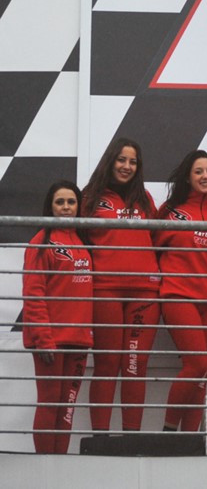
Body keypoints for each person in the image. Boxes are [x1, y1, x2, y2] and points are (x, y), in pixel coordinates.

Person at [82, 137, 161, 432]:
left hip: (145, 292)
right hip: (105, 290)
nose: (127, 166)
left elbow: (158, 239)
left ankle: (131, 440)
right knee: (107, 364)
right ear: (110, 161)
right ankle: (99, 439)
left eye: (133, 162)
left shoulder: (145, 199)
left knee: (134, 365)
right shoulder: (90, 197)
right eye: (121, 159)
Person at [154, 150, 207, 431]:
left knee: (202, 374)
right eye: (198, 171)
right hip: (179, 296)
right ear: (187, 177)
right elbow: (148, 249)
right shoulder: (171, 212)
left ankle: (189, 439)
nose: (206, 176)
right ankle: (169, 433)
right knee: (196, 364)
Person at [22, 181, 93, 453]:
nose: (66, 207)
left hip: (78, 340)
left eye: (71, 202)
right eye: (60, 202)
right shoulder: (41, 241)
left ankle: (60, 466)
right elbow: (33, 292)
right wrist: (43, 338)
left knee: (67, 409)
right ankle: (44, 467)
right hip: (50, 341)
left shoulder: (83, 241)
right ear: (50, 207)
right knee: (50, 403)